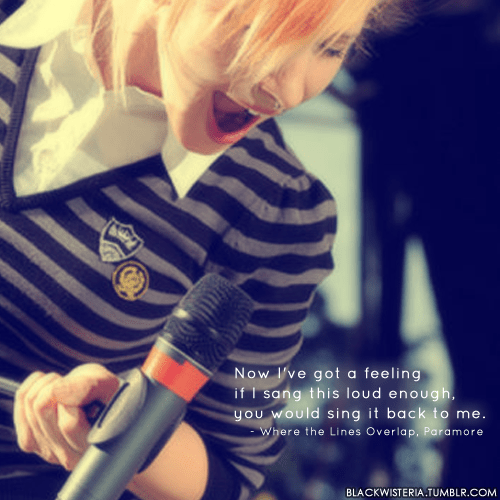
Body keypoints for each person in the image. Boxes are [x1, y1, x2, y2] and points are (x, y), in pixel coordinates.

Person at [0, 0, 398, 499]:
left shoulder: (273, 208)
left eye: (330, 47)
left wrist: (124, 432)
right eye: (260, 31)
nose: (289, 91)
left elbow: (230, 475)